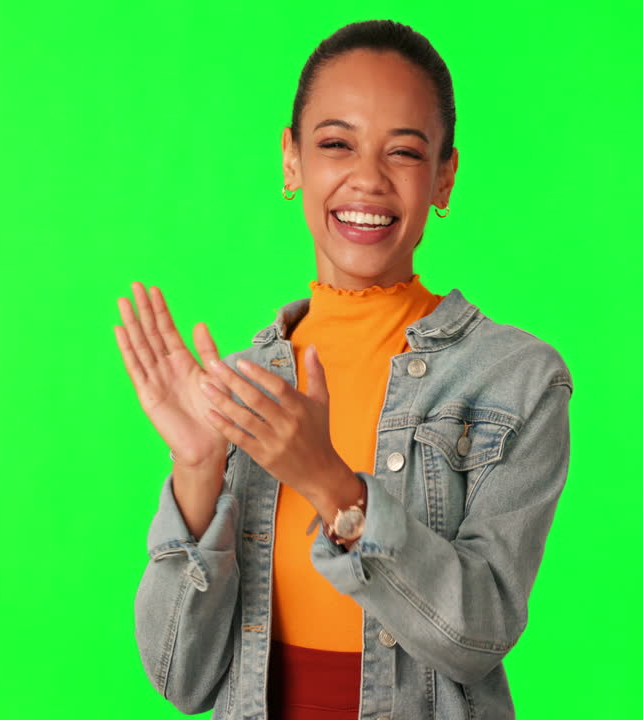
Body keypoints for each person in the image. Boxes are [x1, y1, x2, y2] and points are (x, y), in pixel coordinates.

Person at [115, 19, 574, 720]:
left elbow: (476, 637)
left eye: (404, 152)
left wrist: (329, 481)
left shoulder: (514, 380)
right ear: (291, 161)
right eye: (336, 144)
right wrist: (200, 468)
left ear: (445, 177)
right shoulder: (239, 389)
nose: (368, 178)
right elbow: (182, 679)